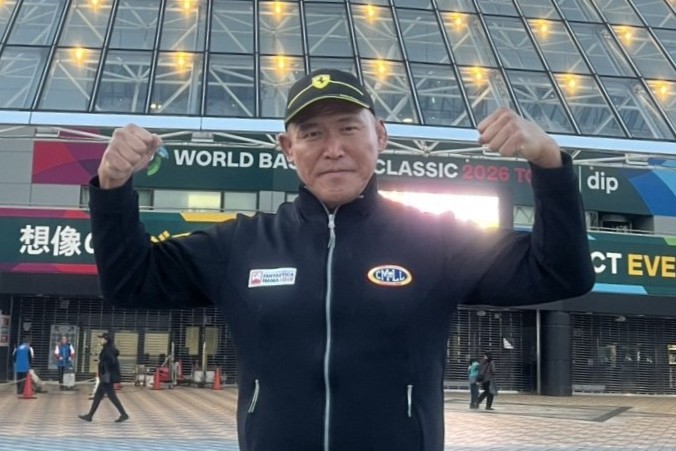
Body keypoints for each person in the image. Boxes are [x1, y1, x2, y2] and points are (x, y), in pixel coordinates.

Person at [88, 69, 594, 450]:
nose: (333, 148)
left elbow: (559, 273)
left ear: (381, 136)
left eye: (349, 128)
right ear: (288, 147)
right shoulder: (241, 244)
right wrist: (113, 188)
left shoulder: (435, 241)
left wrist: (549, 163)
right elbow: (130, 281)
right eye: (312, 133)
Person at [78, 333, 129, 423]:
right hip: (107, 376)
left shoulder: (108, 350)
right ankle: (90, 416)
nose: (100, 340)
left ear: (106, 340)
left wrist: (102, 364)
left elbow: (112, 362)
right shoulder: (108, 349)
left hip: (107, 377)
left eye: (101, 339)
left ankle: (123, 414)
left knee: (110, 396)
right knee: (99, 396)